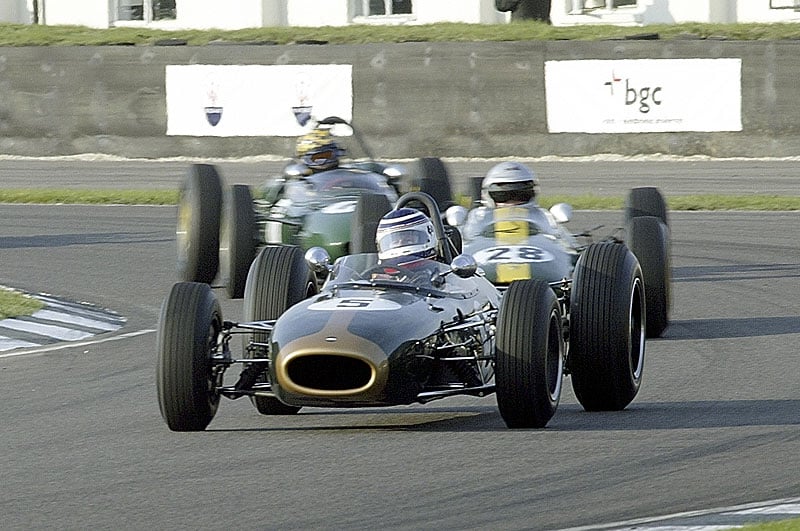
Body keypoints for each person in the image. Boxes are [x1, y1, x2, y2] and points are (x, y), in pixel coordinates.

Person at [463, 161, 567, 242]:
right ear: (488, 195)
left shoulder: (543, 215)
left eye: (521, 196)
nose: (512, 203)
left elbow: (568, 246)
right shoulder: (478, 216)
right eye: (503, 196)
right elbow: (464, 244)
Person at [371, 207, 441, 282]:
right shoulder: (376, 279)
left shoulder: (443, 277)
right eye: (395, 242)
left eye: (408, 240)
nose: (400, 244)